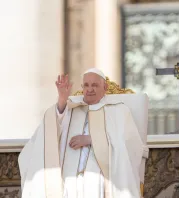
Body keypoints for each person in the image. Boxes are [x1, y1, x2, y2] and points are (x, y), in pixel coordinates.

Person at [18, 68, 144, 198]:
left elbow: (130, 143)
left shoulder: (118, 110)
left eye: (95, 85)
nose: (90, 89)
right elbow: (52, 128)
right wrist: (62, 99)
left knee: (93, 185)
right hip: (69, 173)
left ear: (105, 87)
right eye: (86, 85)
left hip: (102, 175)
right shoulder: (72, 108)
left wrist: (92, 139)